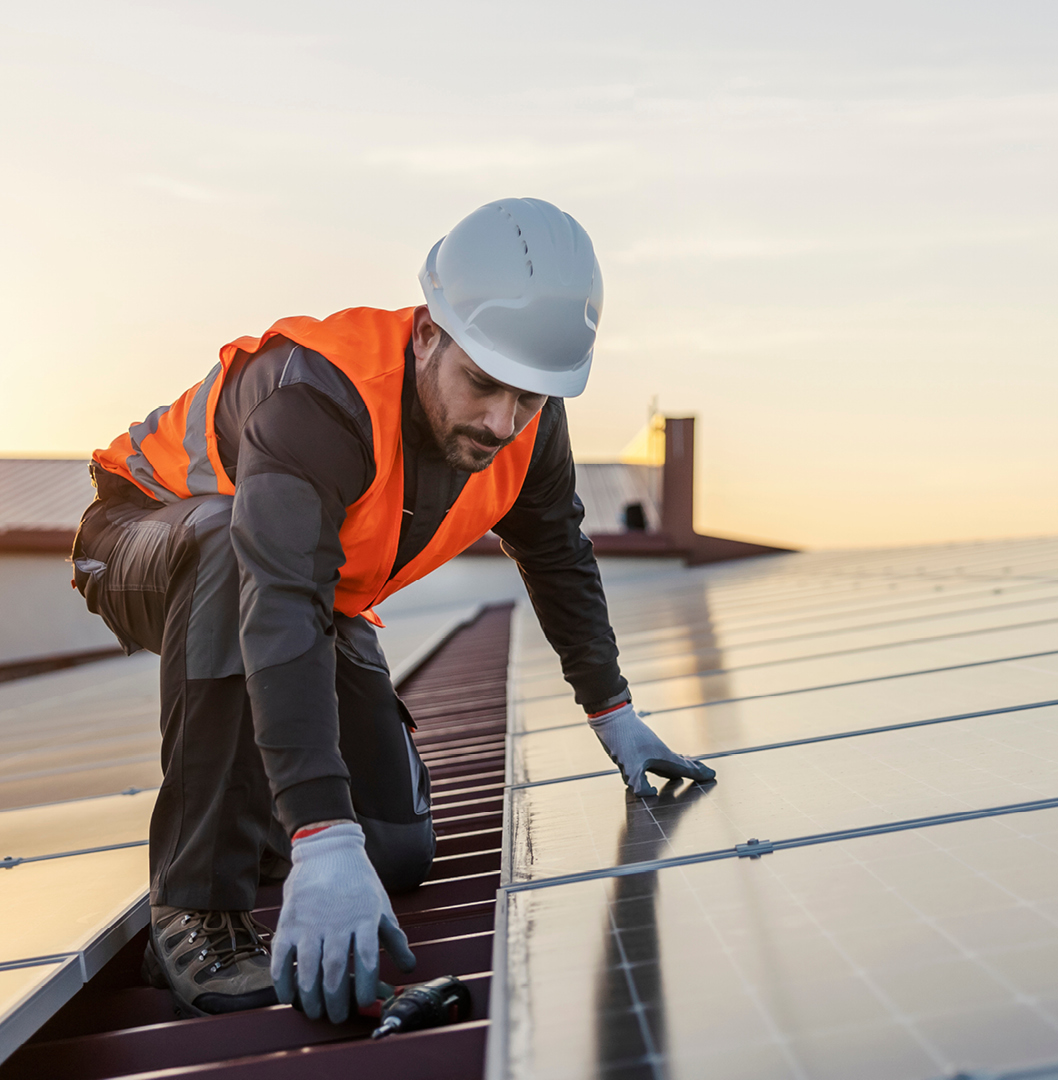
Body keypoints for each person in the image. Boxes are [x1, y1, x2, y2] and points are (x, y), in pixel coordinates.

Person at [68, 198, 715, 1022]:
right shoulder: (320, 399)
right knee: (234, 557)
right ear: (428, 334)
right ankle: (196, 911)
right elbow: (279, 604)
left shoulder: (525, 427)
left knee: (396, 853)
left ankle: (257, 807)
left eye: (528, 399)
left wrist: (614, 712)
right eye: (483, 385)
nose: (501, 421)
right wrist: (319, 834)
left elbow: (558, 556)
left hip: (299, 583)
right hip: (146, 537)